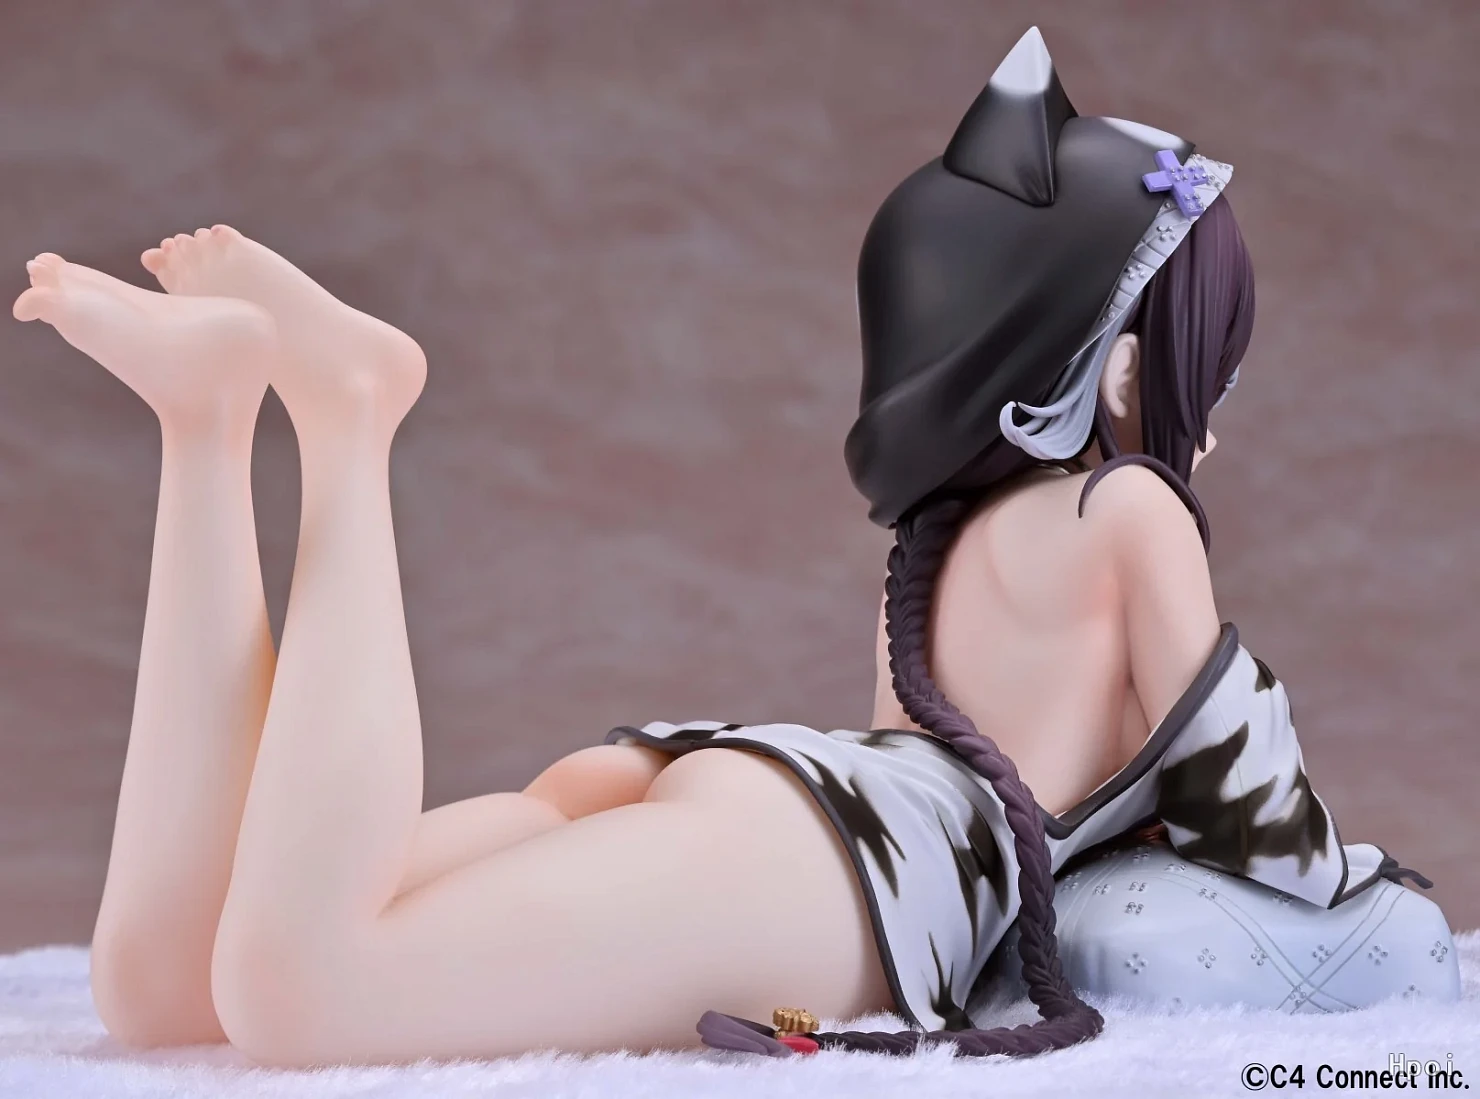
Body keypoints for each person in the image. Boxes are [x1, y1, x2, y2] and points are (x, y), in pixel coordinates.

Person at [11, 26, 1455, 1069]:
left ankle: (204, 426)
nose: (1208, 419)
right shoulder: (1131, 513)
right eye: (1205, 371)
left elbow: (913, 745)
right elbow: (1254, 807)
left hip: (760, 798)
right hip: (842, 873)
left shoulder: (944, 534)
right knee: (301, 988)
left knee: (168, 986)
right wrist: (1373, 903)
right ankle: (347, 415)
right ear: (1129, 367)